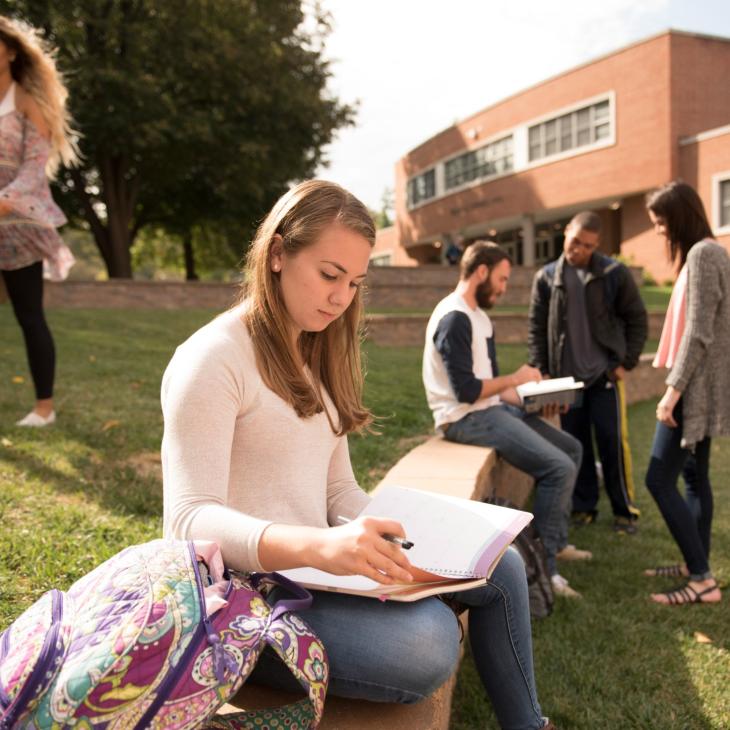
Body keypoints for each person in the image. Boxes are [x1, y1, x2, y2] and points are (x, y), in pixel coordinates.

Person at [161, 181, 556, 729]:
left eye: (354, 282)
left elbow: (338, 492)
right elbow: (188, 521)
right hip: (245, 604)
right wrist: (321, 546)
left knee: (502, 562)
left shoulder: (313, 355)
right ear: (277, 253)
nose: (342, 297)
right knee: (428, 644)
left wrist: (417, 535)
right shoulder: (211, 359)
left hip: (315, 578)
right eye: (329, 275)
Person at [422, 240, 587, 599]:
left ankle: (556, 544)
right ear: (481, 272)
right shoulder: (454, 318)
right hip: (464, 419)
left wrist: (536, 400)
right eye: (501, 278)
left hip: (490, 409)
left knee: (571, 449)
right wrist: (516, 378)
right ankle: (547, 573)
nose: (503, 287)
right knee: (557, 467)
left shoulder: (479, 317)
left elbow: (492, 388)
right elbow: (467, 391)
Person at [528, 212, 648, 534]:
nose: (579, 249)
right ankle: (585, 506)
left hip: (604, 377)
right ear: (566, 231)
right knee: (575, 441)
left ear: (597, 245)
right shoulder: (546, 277)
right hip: (568, 383)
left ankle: (625, 510)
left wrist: (627, 362)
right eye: (575, 241)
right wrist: (543, 372)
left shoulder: (613, 273)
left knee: (612, 442)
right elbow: (537, 330)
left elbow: (637, 319)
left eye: (588, 245)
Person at [642, 181, 727, 605]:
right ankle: (699, 563)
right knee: (693, 477)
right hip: (695, 385)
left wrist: (672, 393)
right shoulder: (705, 253)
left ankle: (702, 580)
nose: (659, 230)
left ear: (679, 216)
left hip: (693, 388)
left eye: (661, 222)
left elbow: (699, 332)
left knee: (658, 477)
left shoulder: (704, 254)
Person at [0, 16, 77, 427]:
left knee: (29, 315)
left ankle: (43, 408)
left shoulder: (26, 100)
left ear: (11, 51)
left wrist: (5, 200)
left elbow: (34, 166)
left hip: (20, 225)